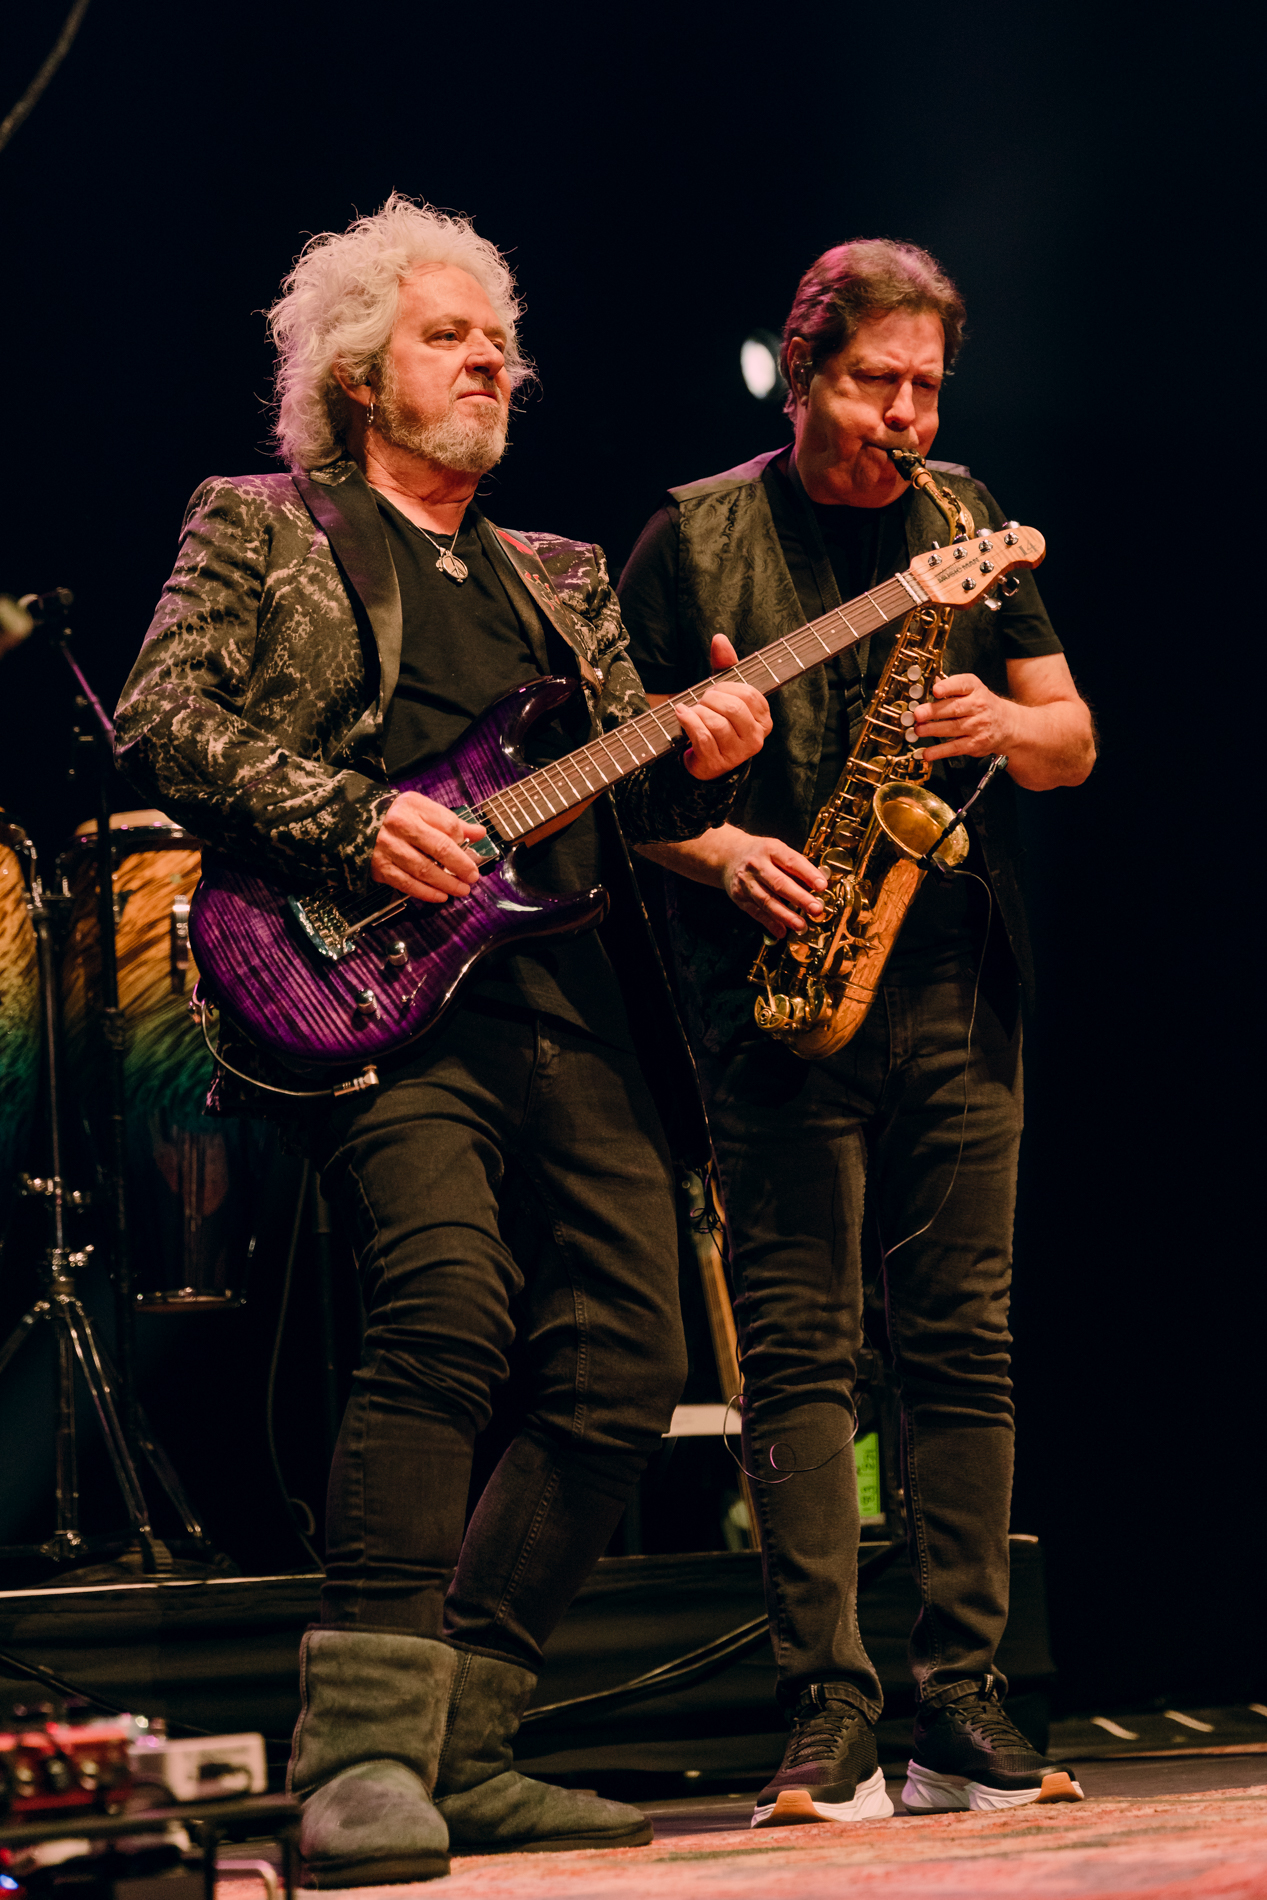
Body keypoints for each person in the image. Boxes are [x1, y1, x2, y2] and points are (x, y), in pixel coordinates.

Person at [114, 194, 771, 1885]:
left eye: (501, 339)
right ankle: (357, 1761)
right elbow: (162, 716)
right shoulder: (264, 525)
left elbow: (627, 792)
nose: (491, 359)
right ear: (357, 374)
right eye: (448, 335)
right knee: (445, 1315)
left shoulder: (561, 575)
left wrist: (706, 750)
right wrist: (356, 821)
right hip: (375, 990)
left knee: (624, 1360)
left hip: (568, 993)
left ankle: (465, 1746)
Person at [618, 238, 1096, 1827]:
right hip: (777, 996)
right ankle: (826, 1707)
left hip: (956, 978)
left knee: (963, 1343)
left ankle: (963, 1701)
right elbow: (612, 799)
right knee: (800, 1352)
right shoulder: (692, 538)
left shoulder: (965, 516)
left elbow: (1072, 737)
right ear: (804, 371)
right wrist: (718, 852)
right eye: (876, 381)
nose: (906, 415)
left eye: (927, 387)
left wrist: (1005, 721)